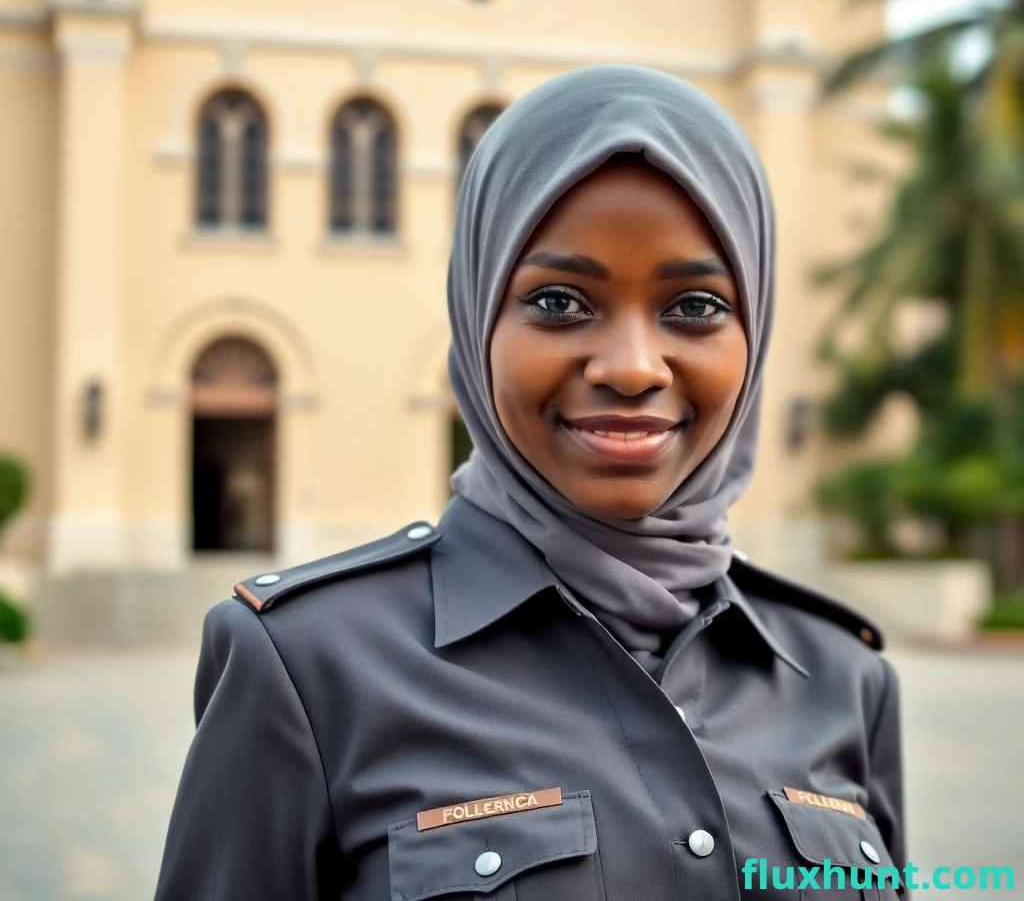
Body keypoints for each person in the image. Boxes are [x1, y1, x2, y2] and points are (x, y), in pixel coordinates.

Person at [154, 66, 904, 901]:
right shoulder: (307, 667)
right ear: (479, 316)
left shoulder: (843, 677)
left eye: (693, 307)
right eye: (559, 300)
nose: (630, 367)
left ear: (755, 332)